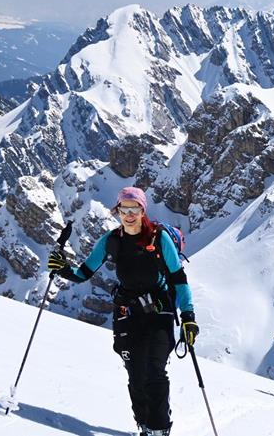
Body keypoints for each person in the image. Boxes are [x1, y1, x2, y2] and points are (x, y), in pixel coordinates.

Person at [48, 186, 198, 436]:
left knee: (154, 370)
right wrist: (62, 269)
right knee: (135, 373)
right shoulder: (111, 240)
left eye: (135, 209)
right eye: (124, 209)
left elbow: (179, 279)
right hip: (127, 313)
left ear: (143, 210)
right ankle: (144, 424)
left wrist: (188, 317)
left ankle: (159, 429)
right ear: (117, 211)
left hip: (159, 311)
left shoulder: (158, 239)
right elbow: (84, 273)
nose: (129, 214)